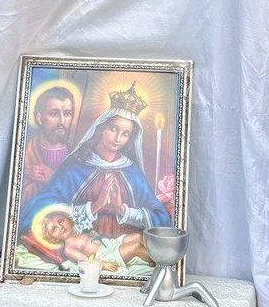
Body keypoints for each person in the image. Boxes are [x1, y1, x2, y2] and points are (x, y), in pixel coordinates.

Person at [19, 83, 169, 241]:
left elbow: (161, 218)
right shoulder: (76, 166)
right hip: (77, 244)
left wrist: (122, 210)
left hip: (124, 244)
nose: (118, 139)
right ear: (101, 128)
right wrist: (94, 207)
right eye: (113, 129)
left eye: (125, 134)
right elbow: (41, 208)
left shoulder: (132, 172)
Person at [39, 209, 152, 271]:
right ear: (53, 238)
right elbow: (85, 261)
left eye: (61, 221)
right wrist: (103, 265)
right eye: (54, 229)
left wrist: (94, 234)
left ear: (67, 219)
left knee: (137, 236)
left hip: (111, 244)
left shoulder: (79, 231)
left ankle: (151, 258)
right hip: (108, 255)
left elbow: (94, 239)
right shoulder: (69, 249)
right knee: (135, 247)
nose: (61, 227)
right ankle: (160, 262)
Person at [21, 86, 75, 200]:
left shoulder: (78, 154)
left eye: (67, 114)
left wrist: (53, 178)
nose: (62, 121)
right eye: (54, 114)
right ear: (40, 118)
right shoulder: (25, 153)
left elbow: (83, 195)